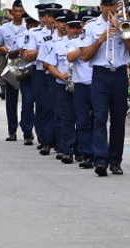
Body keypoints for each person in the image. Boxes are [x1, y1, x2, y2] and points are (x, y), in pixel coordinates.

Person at [79, 0, 130, 176]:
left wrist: (121, 31)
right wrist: (101, 39)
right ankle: (100, 160)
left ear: (116, 6)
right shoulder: (91, 26)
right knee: (99, 117)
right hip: (100, 75)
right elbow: (85, 55)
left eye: (111, 5)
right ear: (100, 6)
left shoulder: (125, 24)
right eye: (105, 5)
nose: (108, 9)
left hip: (119, 75)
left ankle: (115, 161)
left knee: (118, 119)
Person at [23, 4, 59, 155]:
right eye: (47, 16)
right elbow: (27, 55)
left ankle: (58, 141)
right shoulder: (34, 33)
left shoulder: (62, 34)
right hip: (40, 73)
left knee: (58, 109)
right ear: (42, 17)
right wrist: (43, 49)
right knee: (43, 107)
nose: (50, 19)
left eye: (53, 16)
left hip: (57, 73)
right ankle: (45, 141)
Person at [0, 0, 31, 143]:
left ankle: (27, 131)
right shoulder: (4, 28)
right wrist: (2, 49)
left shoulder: (29, 26)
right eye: (15, 11)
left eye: (20, 11)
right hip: (11, 67)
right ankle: (12, 131)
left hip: (26, 66)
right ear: (11, 12)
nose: (18, 14)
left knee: (28, 100)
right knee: (11, 101)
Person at [43, 9, 76, 164]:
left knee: (82, 118)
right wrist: (60, 75)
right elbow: (47, 65)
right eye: (63, 22)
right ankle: (64, 147)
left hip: (80, 85)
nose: (65, 25)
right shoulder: (55, 43)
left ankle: (81, 150)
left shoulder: (84, 43)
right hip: (61, 83)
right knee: (63, 116)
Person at [68, 9, 99, 168]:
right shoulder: (76, 41)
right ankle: (86, 153)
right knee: (82, 122)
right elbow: (70, 57)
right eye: (85, 22)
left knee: (97, 121)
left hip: (97, 85)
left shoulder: (100, 40)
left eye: (91, 22)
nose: (88, 25)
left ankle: (97, 153)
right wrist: (83, 47)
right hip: (81, 86)